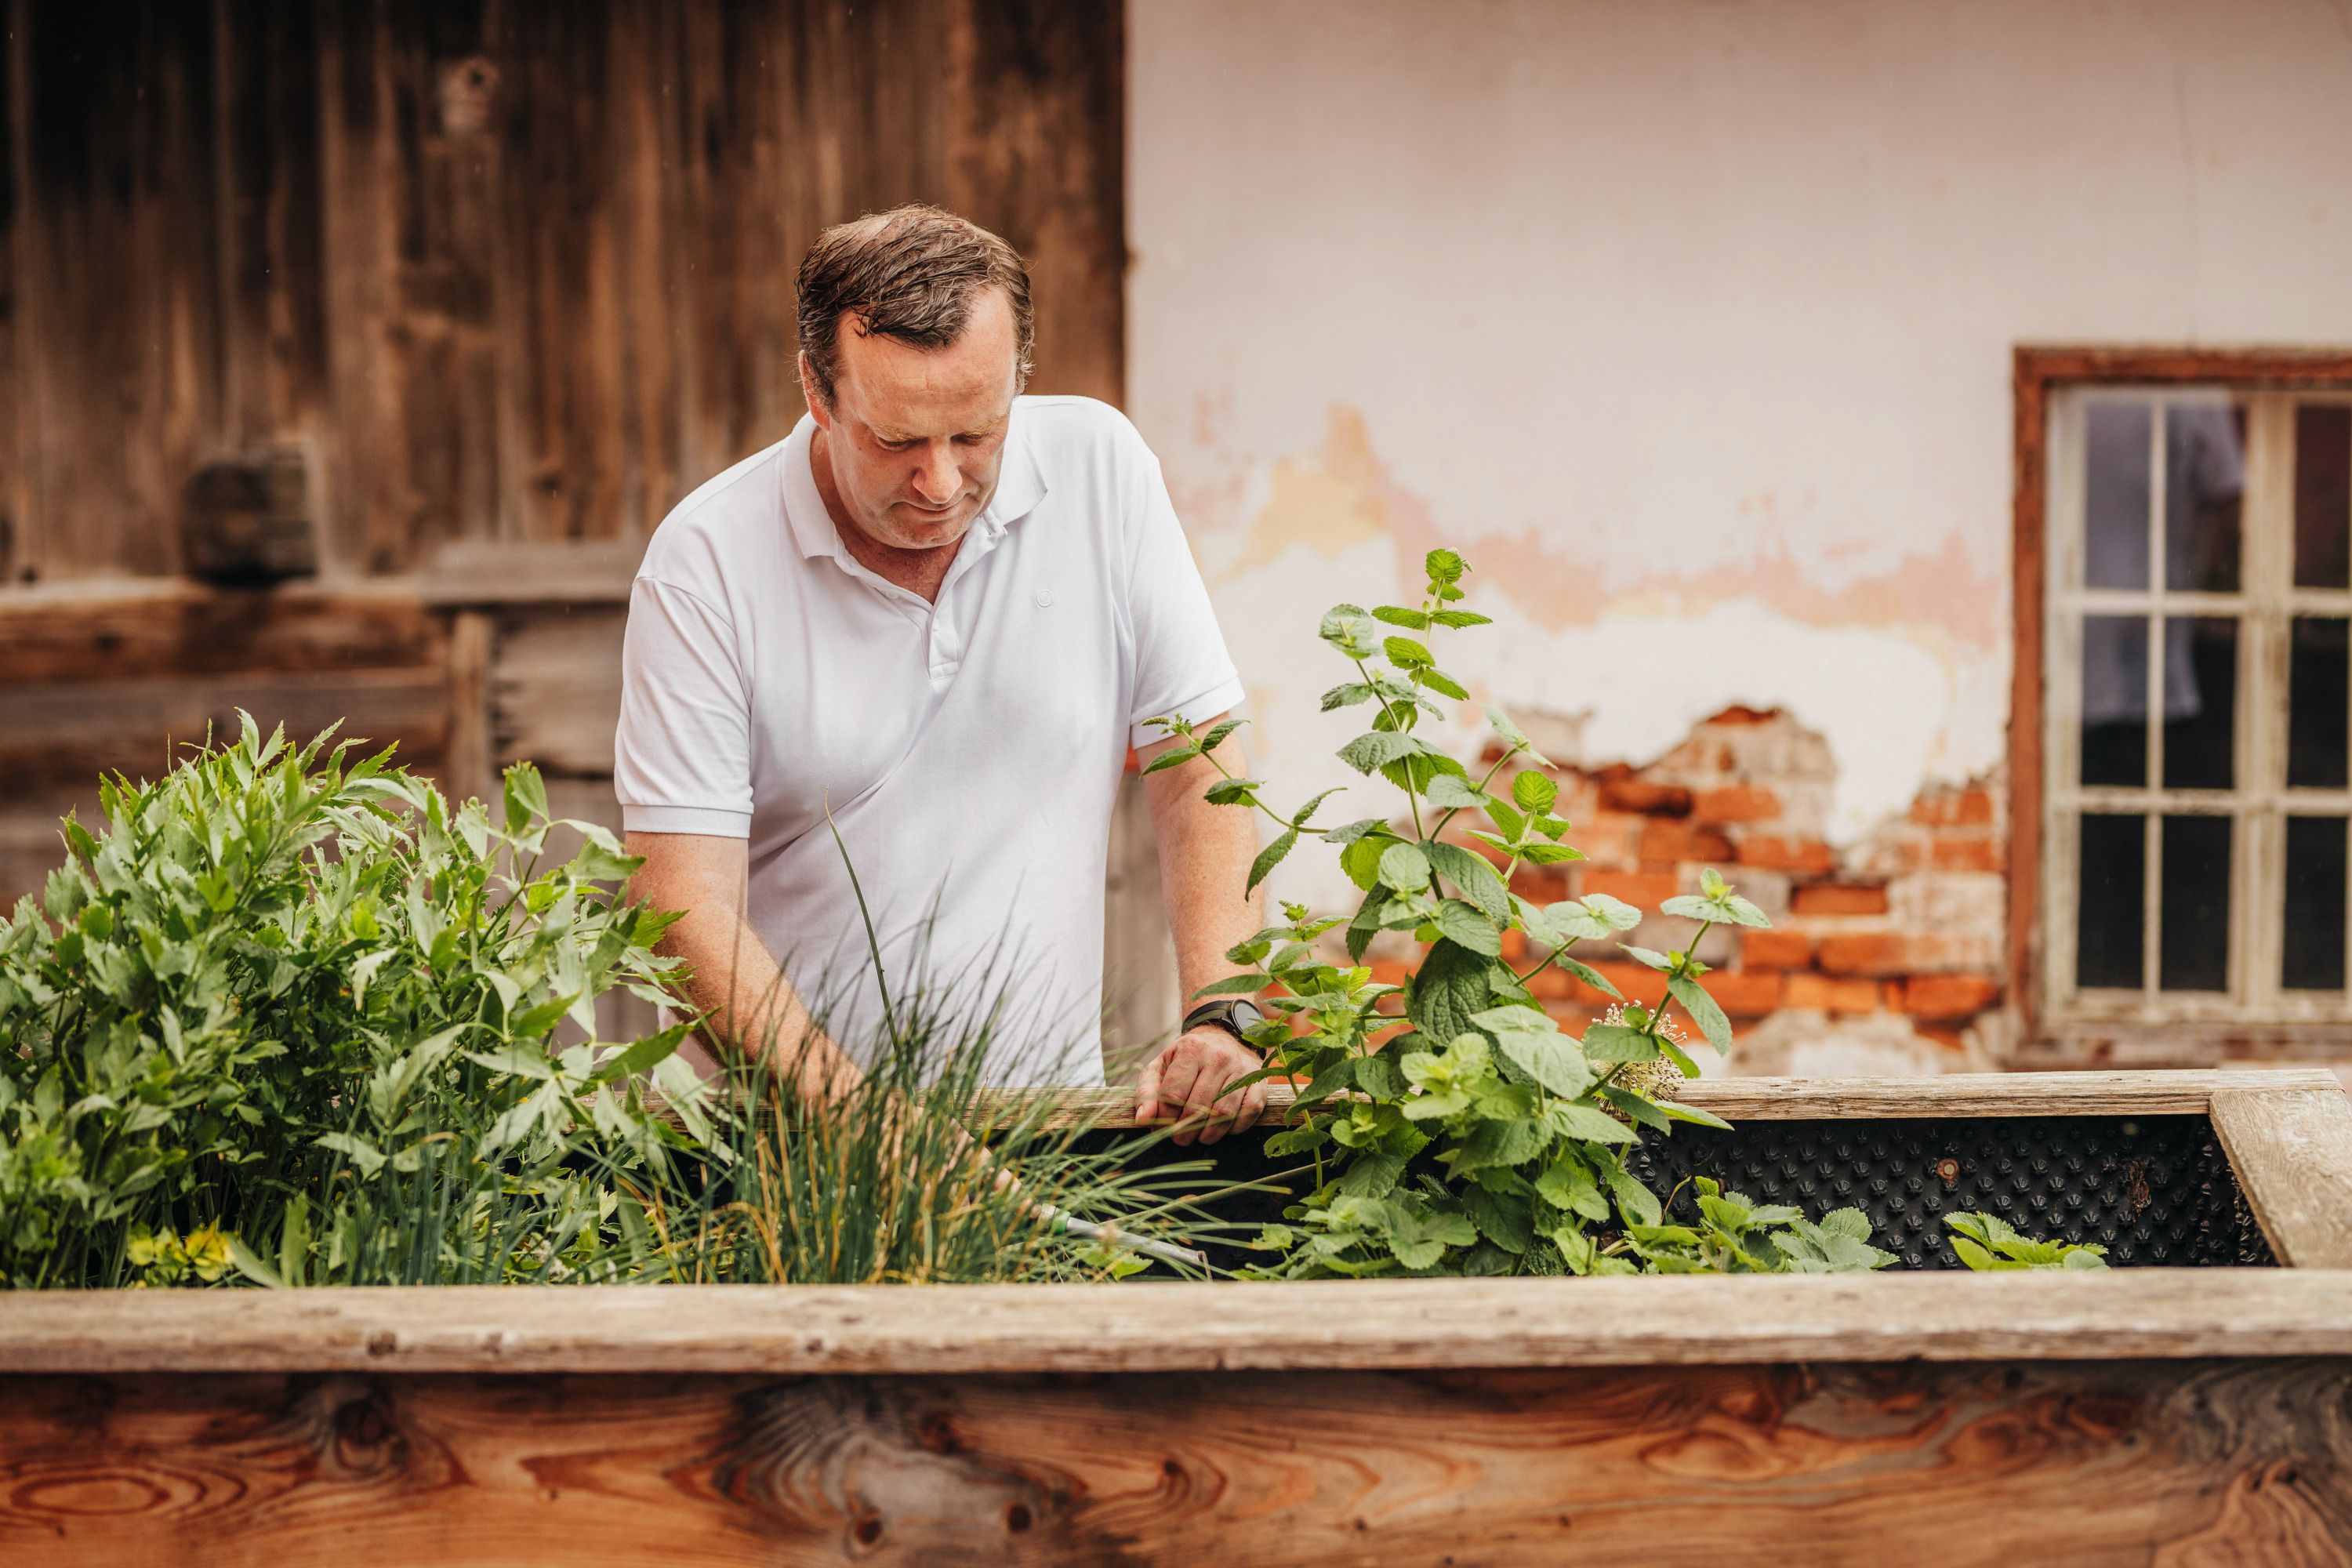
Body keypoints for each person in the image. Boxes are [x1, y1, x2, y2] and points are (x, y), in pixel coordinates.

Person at [614, 205, 1268, 1145]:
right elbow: (677, 899)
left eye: (977, 433)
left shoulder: (1101, 468)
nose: (941, 482)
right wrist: (872, 1128)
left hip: (1058, 1124)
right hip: (788, 1145)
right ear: (816, 388)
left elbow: (1200, 759)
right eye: (895, 440)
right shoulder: (705, 560)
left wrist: (1226, 1012)